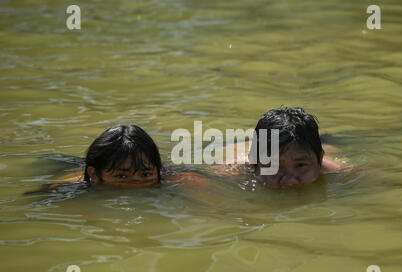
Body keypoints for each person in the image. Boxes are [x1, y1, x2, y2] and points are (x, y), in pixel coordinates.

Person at [213, 106, 351, 189]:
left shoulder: (337, 170)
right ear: (253, 164)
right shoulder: (228, 172)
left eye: (301, 165)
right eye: (274, 167)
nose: (290, 180)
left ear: (320, 160)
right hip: (236, 144)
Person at [50, 124, 207, 189]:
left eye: (146, 174)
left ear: (158, 170)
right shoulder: (67, 188)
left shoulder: (180, 180)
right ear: (94, 175)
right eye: (121, 176)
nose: (136, 184)